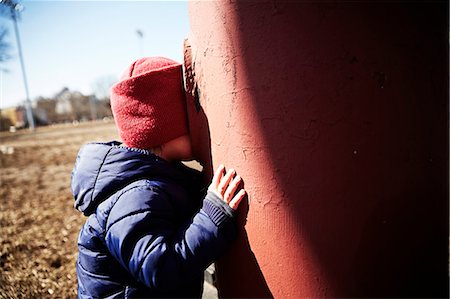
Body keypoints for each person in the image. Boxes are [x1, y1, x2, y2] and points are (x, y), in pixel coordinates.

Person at [71, 57, 246, 298]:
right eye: (191, 115)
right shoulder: (137, 195)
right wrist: (211, 216)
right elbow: (160, 269)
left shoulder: (159, 178)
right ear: (163, 129)